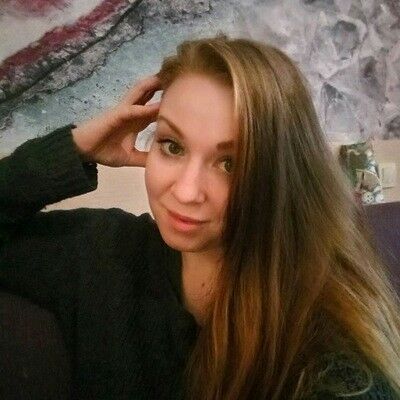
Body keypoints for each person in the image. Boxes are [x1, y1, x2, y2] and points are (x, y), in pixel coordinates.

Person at [0, 33, 399, 400]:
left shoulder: (328, 353)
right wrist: (74, 149)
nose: (187, 192)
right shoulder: (101, 252)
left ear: (283, 176)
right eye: (172, 146)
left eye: (230, 164)